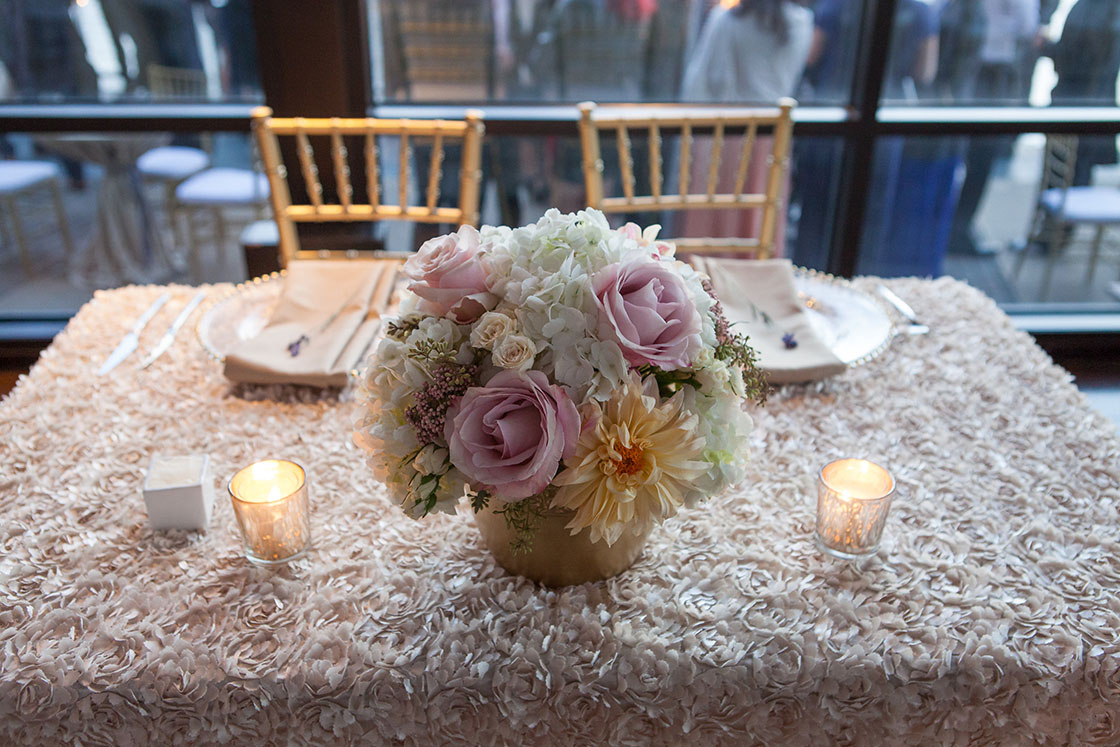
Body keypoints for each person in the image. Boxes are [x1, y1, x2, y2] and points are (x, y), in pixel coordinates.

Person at [675, 0, 814, 257]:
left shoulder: (727, 19)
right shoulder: (802, 22)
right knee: (761, 221)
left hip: (727, 136)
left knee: (716, 221)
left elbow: (705, 83)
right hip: (773, 138)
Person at [1046, 0, 1120, 184]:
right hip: (1089, 104)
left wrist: (1046, 47)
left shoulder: (1097, 10)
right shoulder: (1106, 9)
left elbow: (1079, 57)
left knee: (1069, 176)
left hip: (1078, 104)